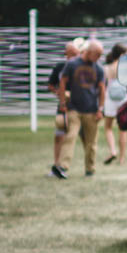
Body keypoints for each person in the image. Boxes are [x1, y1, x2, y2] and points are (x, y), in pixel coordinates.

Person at [59, 38, 107, 177]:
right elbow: (62, 82)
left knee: (91, 143)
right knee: (70, 136)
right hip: (74, 108)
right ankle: (63, 167)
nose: (98, 58)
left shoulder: (98, 68)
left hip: (92, 110)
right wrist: (63, 103)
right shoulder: (72, 64)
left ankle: (90, 169)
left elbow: (102, 89)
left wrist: (100, 109)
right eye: (97, 54)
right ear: (89, 51)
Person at [47, 38, 84, 179]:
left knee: (80, 137)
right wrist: (59, 93)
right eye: (71, 53)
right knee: (59, 136)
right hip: (63, 107)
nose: (74, 56)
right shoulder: (60, 67)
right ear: (66, 53)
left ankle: (88, 166)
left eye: (76, 53)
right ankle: (57, 165)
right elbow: (51, 85)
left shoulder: (82, 67)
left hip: (79, 108)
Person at [101, 43, 127, 166]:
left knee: (108, 127)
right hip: (124, 97)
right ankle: (122, 158)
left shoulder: (107, 68)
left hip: (110, 98)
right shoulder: (126, 67)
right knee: (122, 129)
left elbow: (103, 84)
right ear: (122, 54)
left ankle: (113, 150)